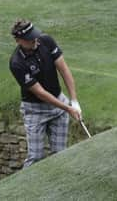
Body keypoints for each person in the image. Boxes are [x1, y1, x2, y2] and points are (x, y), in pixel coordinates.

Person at [9, 19, 82, 168]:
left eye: (35, 35)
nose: (35, 40)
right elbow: (40, 93)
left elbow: (64, 69)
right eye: (29, 39)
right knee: (36, 157)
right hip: (35, 110)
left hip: (59, 102)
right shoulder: (17, 63)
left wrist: (74, 100)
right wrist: (67, 108)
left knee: (60, 154)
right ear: (18, 41)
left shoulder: (46, 41)